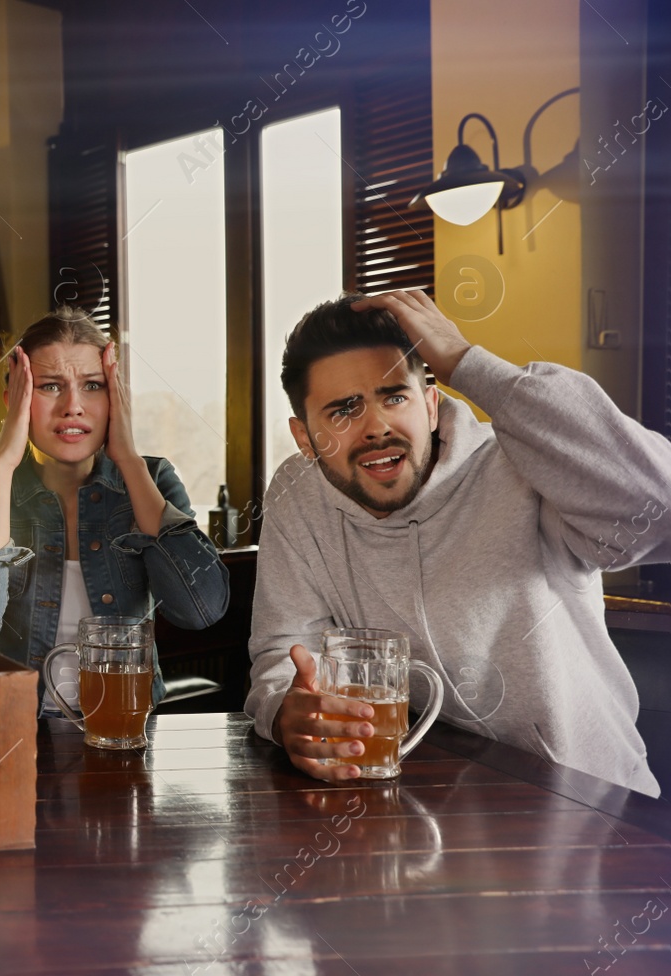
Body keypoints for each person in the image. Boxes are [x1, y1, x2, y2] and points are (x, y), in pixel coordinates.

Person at [246, 289, 671, 796]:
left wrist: (466, 362)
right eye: (344, 410)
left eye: (394, 397)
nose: (376, 427)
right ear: (304, 439)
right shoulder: (298, 494)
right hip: (437, 810)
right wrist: (284, 713)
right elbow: (284, 649)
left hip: (598, 809)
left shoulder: (523, 464)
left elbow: (659, 511)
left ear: (430, 404)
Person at [0, 308, 230, 713]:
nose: (73, 406)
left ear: (115, 399)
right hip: (14, 732)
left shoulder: (153, 479)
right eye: (50, 386)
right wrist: (2, 466)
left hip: (125, 727)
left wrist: (129, 462)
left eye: (92, 386)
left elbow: (201, 609)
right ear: (14, 399)